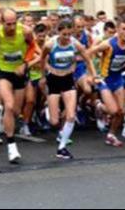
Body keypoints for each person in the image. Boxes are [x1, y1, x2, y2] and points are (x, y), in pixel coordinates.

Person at [0, 8, 37, 164]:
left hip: (19, 72)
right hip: (3, 71)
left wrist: (25, 63)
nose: (11, 27)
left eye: (14, 23)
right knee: (10, 105)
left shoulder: (25, 31)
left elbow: (32, 47)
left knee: (16, 111)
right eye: (8, 24)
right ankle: (12, 146)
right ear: (2, 23)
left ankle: (3, 114)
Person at [40, 19, 97, 160]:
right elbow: (42, 59)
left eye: (69, 34)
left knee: (71, 116)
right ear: (58, 32)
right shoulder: (50, 44)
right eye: (64, 34)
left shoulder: (75, 43)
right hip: (53, 79)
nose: (66, 38)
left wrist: (92, 74)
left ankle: (62, 148)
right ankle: (47, 110)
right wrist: (45, 73)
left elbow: (88, 58)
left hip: (68, 79)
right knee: (54, 121)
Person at [89, 16, 125, 147]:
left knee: (121, 112)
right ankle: (99, 106)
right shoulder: (108, 44)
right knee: (113, 111)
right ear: (118, 30)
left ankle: (111, 135)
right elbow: (88, 54)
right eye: (124, 29)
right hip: (105, 81)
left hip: (118, 80)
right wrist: (93, 75)